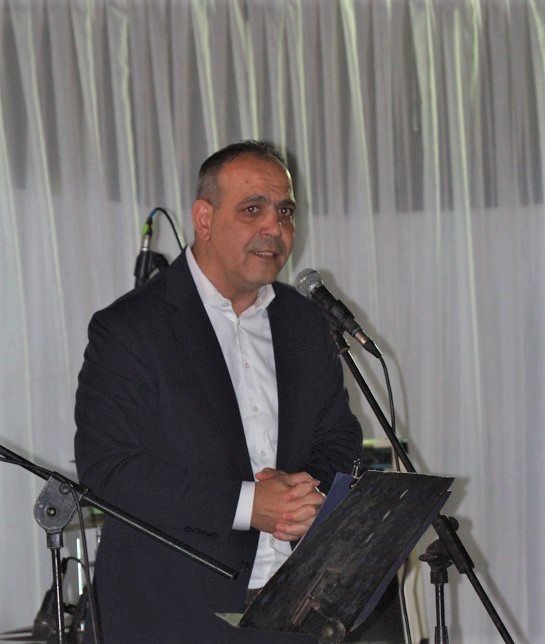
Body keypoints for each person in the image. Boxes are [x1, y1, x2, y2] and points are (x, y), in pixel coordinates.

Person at [74, 140, 363, 643]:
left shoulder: (305, 322)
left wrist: (308, 493)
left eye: (285, 211)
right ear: (203, 220)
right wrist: (251, 505)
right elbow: (109, 470)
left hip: (294, 610)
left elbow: (339, 436)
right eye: (252, 209)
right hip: (172, 618)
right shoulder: (131, 327)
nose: (274, 227)